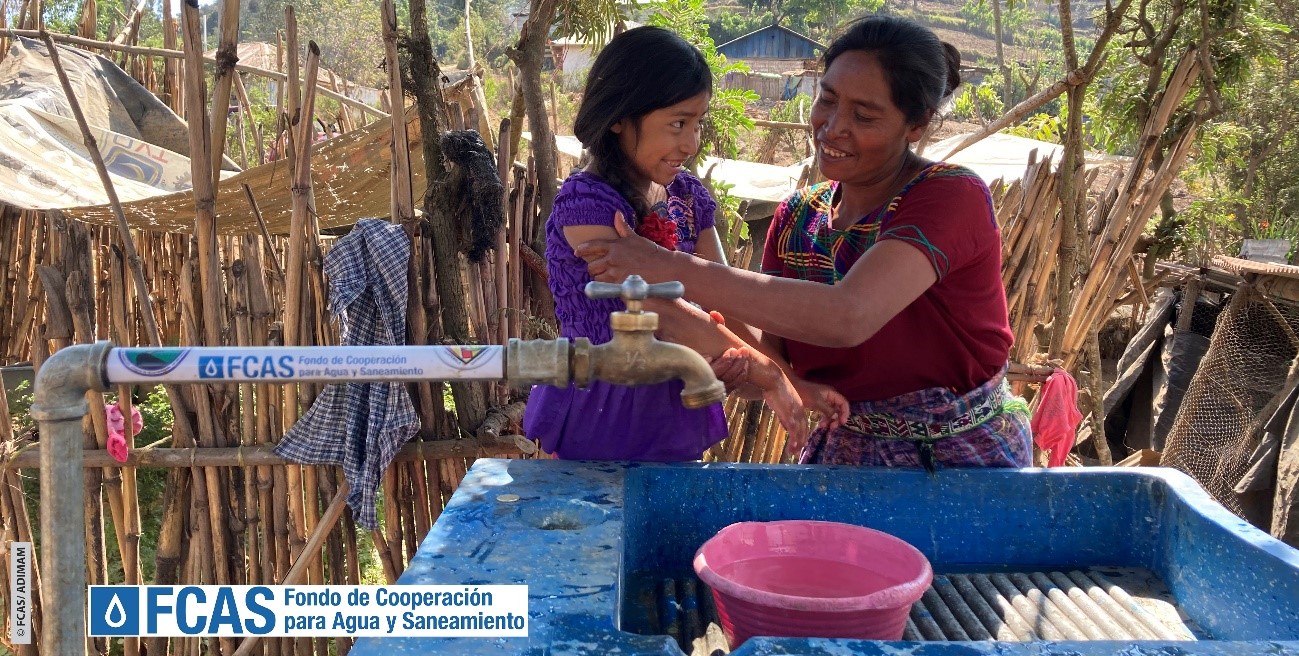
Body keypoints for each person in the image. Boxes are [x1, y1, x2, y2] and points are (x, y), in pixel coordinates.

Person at [575, 16, 1032, 470]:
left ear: (916, 124)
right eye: (827, 100)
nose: (833, 127)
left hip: (962, 463)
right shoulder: (798, 218)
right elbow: (769, 356)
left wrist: (668, 266)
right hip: (845, 460)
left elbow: (848, 316)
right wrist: (737, 367)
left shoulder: (949, 196)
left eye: (864, 116)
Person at [523, 26, 847, 462]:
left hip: (671, 407)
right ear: (619, 116)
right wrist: (768, 374)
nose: (691, 143)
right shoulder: (587, 205)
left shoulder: (687, 197)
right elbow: (658, 313)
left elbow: (724, 294)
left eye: (697, 124)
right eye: (677, 123)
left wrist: (786, 380)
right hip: (598, 412)